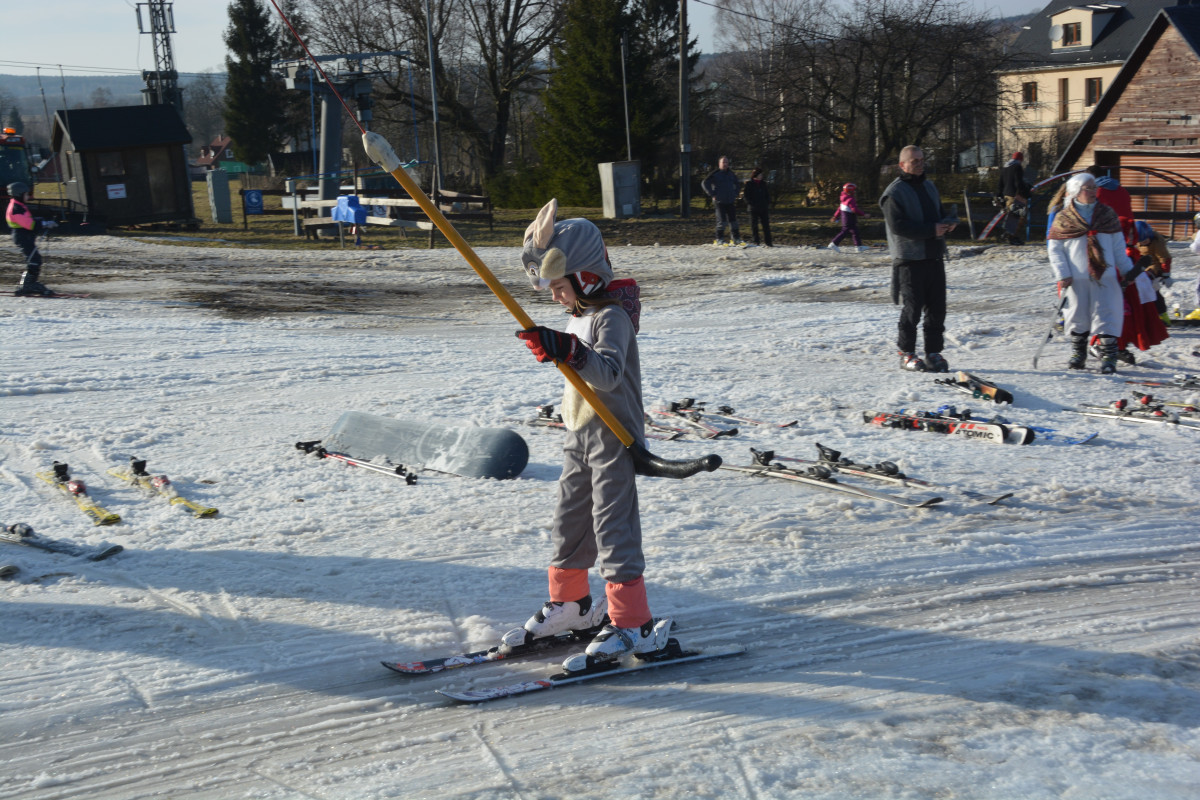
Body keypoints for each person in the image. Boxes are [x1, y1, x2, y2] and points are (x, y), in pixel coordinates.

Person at [507, 198, 671, 668]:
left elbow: (607, 375)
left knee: (613, 528)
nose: (555, 296)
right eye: (551, 289)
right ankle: (572, 605)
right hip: (579, 433)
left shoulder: (611, 317)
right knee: (570, 520)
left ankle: (631, 622)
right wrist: (558, 346)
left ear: (587, 277)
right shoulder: (580, 312)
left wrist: (567, 349)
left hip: (613, 435)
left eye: (559, 286)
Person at [1047, 173, 1136, 374]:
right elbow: (1055, 249)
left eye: (1094, 188)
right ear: (1077, 191)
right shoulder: (1064, 218)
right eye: (1088, 188)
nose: (1093, 191)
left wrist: (1127, 271)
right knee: (1077, 315)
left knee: (1107, 314)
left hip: (1105, 276)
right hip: (1075, 278)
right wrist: (1062, 273)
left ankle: (1109, 357)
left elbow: (1118, 247)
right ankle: (1078, 354)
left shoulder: (1107, 215)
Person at [879, 145, 957, 373]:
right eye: (914, 161)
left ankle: (933, 352)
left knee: (937, 308)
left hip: (933, 256)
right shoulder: (893, 193)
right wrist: (932, 230)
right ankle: (906, 353)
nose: (920, 164)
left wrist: (949, 222)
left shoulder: (929, 186)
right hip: (909, 259)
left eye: (922, 160)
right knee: (912, 309)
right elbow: (898, 226)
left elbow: (937, 215)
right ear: (902, 165)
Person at [6, 181, 56, 296]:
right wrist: (44, 223)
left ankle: (29, 283)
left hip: (24, 235)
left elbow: (30, 220)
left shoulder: (19, 206)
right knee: (34, 259)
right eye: (26, 194)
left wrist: (43, 220)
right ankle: (29, 284)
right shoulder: (16, 208)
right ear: (19, 194)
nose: (28, 196)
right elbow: (30, 224)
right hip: (22, 236)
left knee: (34, 258)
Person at [701, 156, 744, 246]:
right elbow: (705, 183)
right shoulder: (715, 174)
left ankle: (736, 238)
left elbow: (737, 184)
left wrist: (735, 193)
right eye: (723, 162)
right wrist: (712, 194)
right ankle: (719, 239)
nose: (725, 164)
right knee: (722, 221)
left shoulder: (731, 174)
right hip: (719, 201)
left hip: (730, 200)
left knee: (733, 220)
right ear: (719, 164)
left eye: (726, 162)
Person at [996, 152, 1032, 245]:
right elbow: (1018, 183)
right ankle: (1011, 237)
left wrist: (999, 196)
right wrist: (1026, 193)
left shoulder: (1005, 168)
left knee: (1011, 217)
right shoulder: (1017, 167)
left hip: (1006, 196)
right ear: (1020, 159)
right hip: (1015, 196)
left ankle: (1008, 236)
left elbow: (1000, 184)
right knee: (1019, 217)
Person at [829, 182, 869, 252]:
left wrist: (835, 216)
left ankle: (858, 247)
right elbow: (854, 210)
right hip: (849, 218)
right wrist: (863, 214)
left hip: (846, 217)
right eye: (854, 190)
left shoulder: (844, 198)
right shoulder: (851, 199)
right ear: (850, 190)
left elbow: (839, 208)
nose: (854, 192)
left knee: (854, 231)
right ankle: (834, 244)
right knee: (845, 231)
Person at [743, 167, 772, 247]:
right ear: (756, 175)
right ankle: (756, 241)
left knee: (766, 225)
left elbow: (767, 195)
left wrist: (767, 202)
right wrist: (751, 203)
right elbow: (746, 196)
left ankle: (768, 242)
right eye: (760, 174)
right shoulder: (749, 184)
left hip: (763, 208)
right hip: (753, 208)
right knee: (754, 226)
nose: (761, 176)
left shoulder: (763, 184)